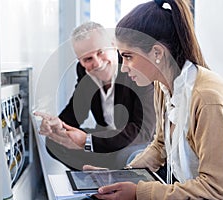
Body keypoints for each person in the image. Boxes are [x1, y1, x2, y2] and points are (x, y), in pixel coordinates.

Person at [94, 0, 223, 199]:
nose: (123, 67)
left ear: (157, 52)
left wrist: (140, 192)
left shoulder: (208, 100)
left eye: (128, 56)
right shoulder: (162, 85)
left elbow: (216, 191)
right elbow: (160, 145)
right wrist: (120, 176)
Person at [35, 21, 156, 170]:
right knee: (54, 143)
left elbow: (142, 131)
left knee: (124, 156)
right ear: (80, 61)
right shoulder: (84, 71)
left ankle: (105, 172)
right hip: (105, 141)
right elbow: (75, 112)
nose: (97, 63)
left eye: (100, 52)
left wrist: (87, 141)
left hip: (136, 142)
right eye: (87, 59)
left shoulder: (134, 67)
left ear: (113, 45)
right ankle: (93, 174)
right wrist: (57, 126)